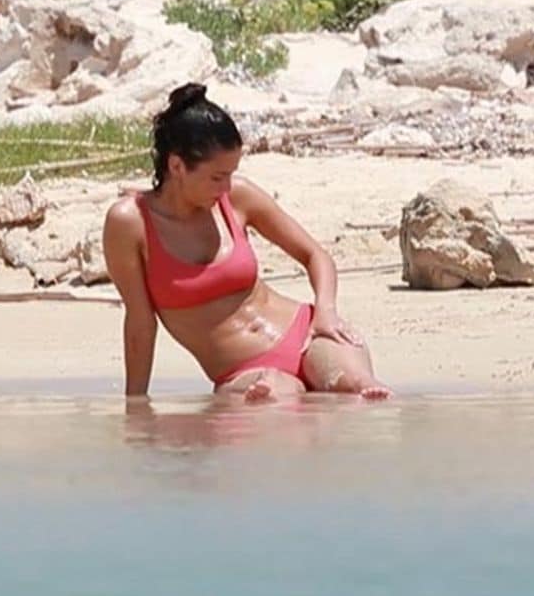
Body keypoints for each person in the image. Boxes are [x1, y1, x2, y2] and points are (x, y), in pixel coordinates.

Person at [103, 83, 391, 401]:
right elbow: (141, 321)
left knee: (357, 389)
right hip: (243, 369)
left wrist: (325, 311)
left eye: (231, 173)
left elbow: (315, 255)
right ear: (176, 166)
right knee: (273, 399)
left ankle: (353, 382)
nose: (227, 186)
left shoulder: (238, 198)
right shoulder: (130, 223)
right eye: (216, 177)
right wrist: (136, 406)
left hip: (308, 333)